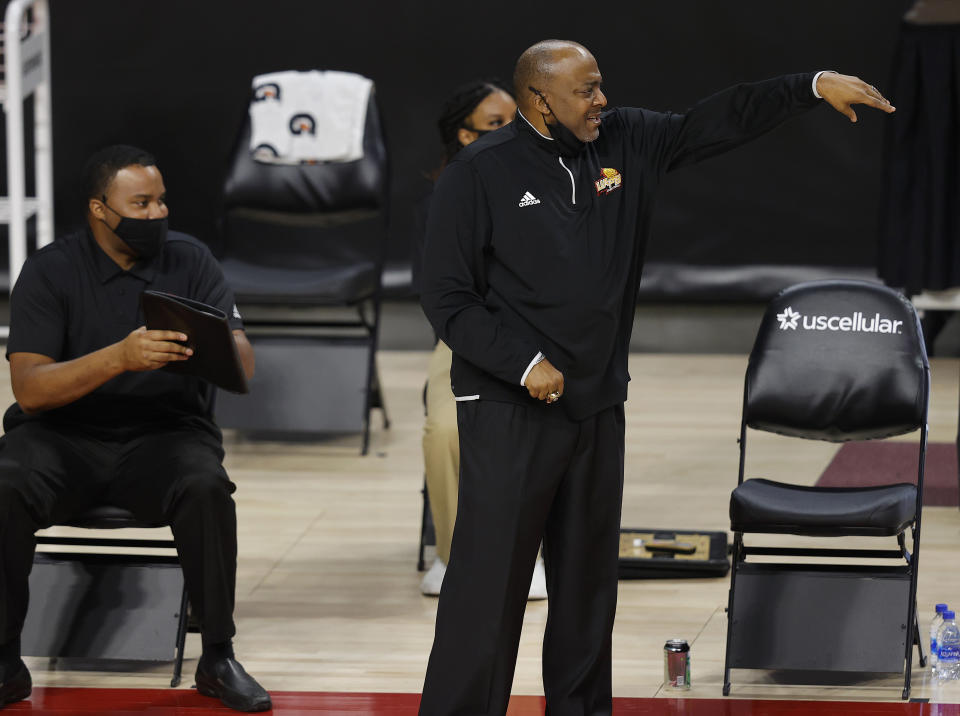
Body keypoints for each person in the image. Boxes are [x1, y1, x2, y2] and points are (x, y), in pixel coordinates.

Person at [418, 39, 895, 716]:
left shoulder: (628, 142)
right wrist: (522, 363)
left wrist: (810, 86)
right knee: (488, 589)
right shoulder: (478, 173)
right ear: (537, 100)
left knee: (587, 590)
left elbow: (716, 120)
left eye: (599, 85)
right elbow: (444, 296)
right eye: (584, 91)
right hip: (508, 406)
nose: (600, 100)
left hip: (597, 402)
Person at [0, 146, 271, 712]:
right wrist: (119, 358)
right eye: (140, 203)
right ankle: (5, 659)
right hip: (60, 437)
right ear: (100, 209)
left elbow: (243, 369)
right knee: (5, 483)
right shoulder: (51, 269)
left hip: (165, 434)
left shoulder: (191, 261)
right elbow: (30, 388)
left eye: (161, 200)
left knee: (205, 485)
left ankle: (217, 656)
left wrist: (222, 342)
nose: (156, 213)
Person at [417, 80, 546, 600]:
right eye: (496, 125)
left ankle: (528, 552)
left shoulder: (555, 180)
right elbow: (440, 297)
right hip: (467, 336)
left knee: (544, 423)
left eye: (515, 121)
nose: (511, 133)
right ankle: (452, 553)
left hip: (546, 336)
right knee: (446, 431)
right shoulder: (440, 199)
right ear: (464, 136)